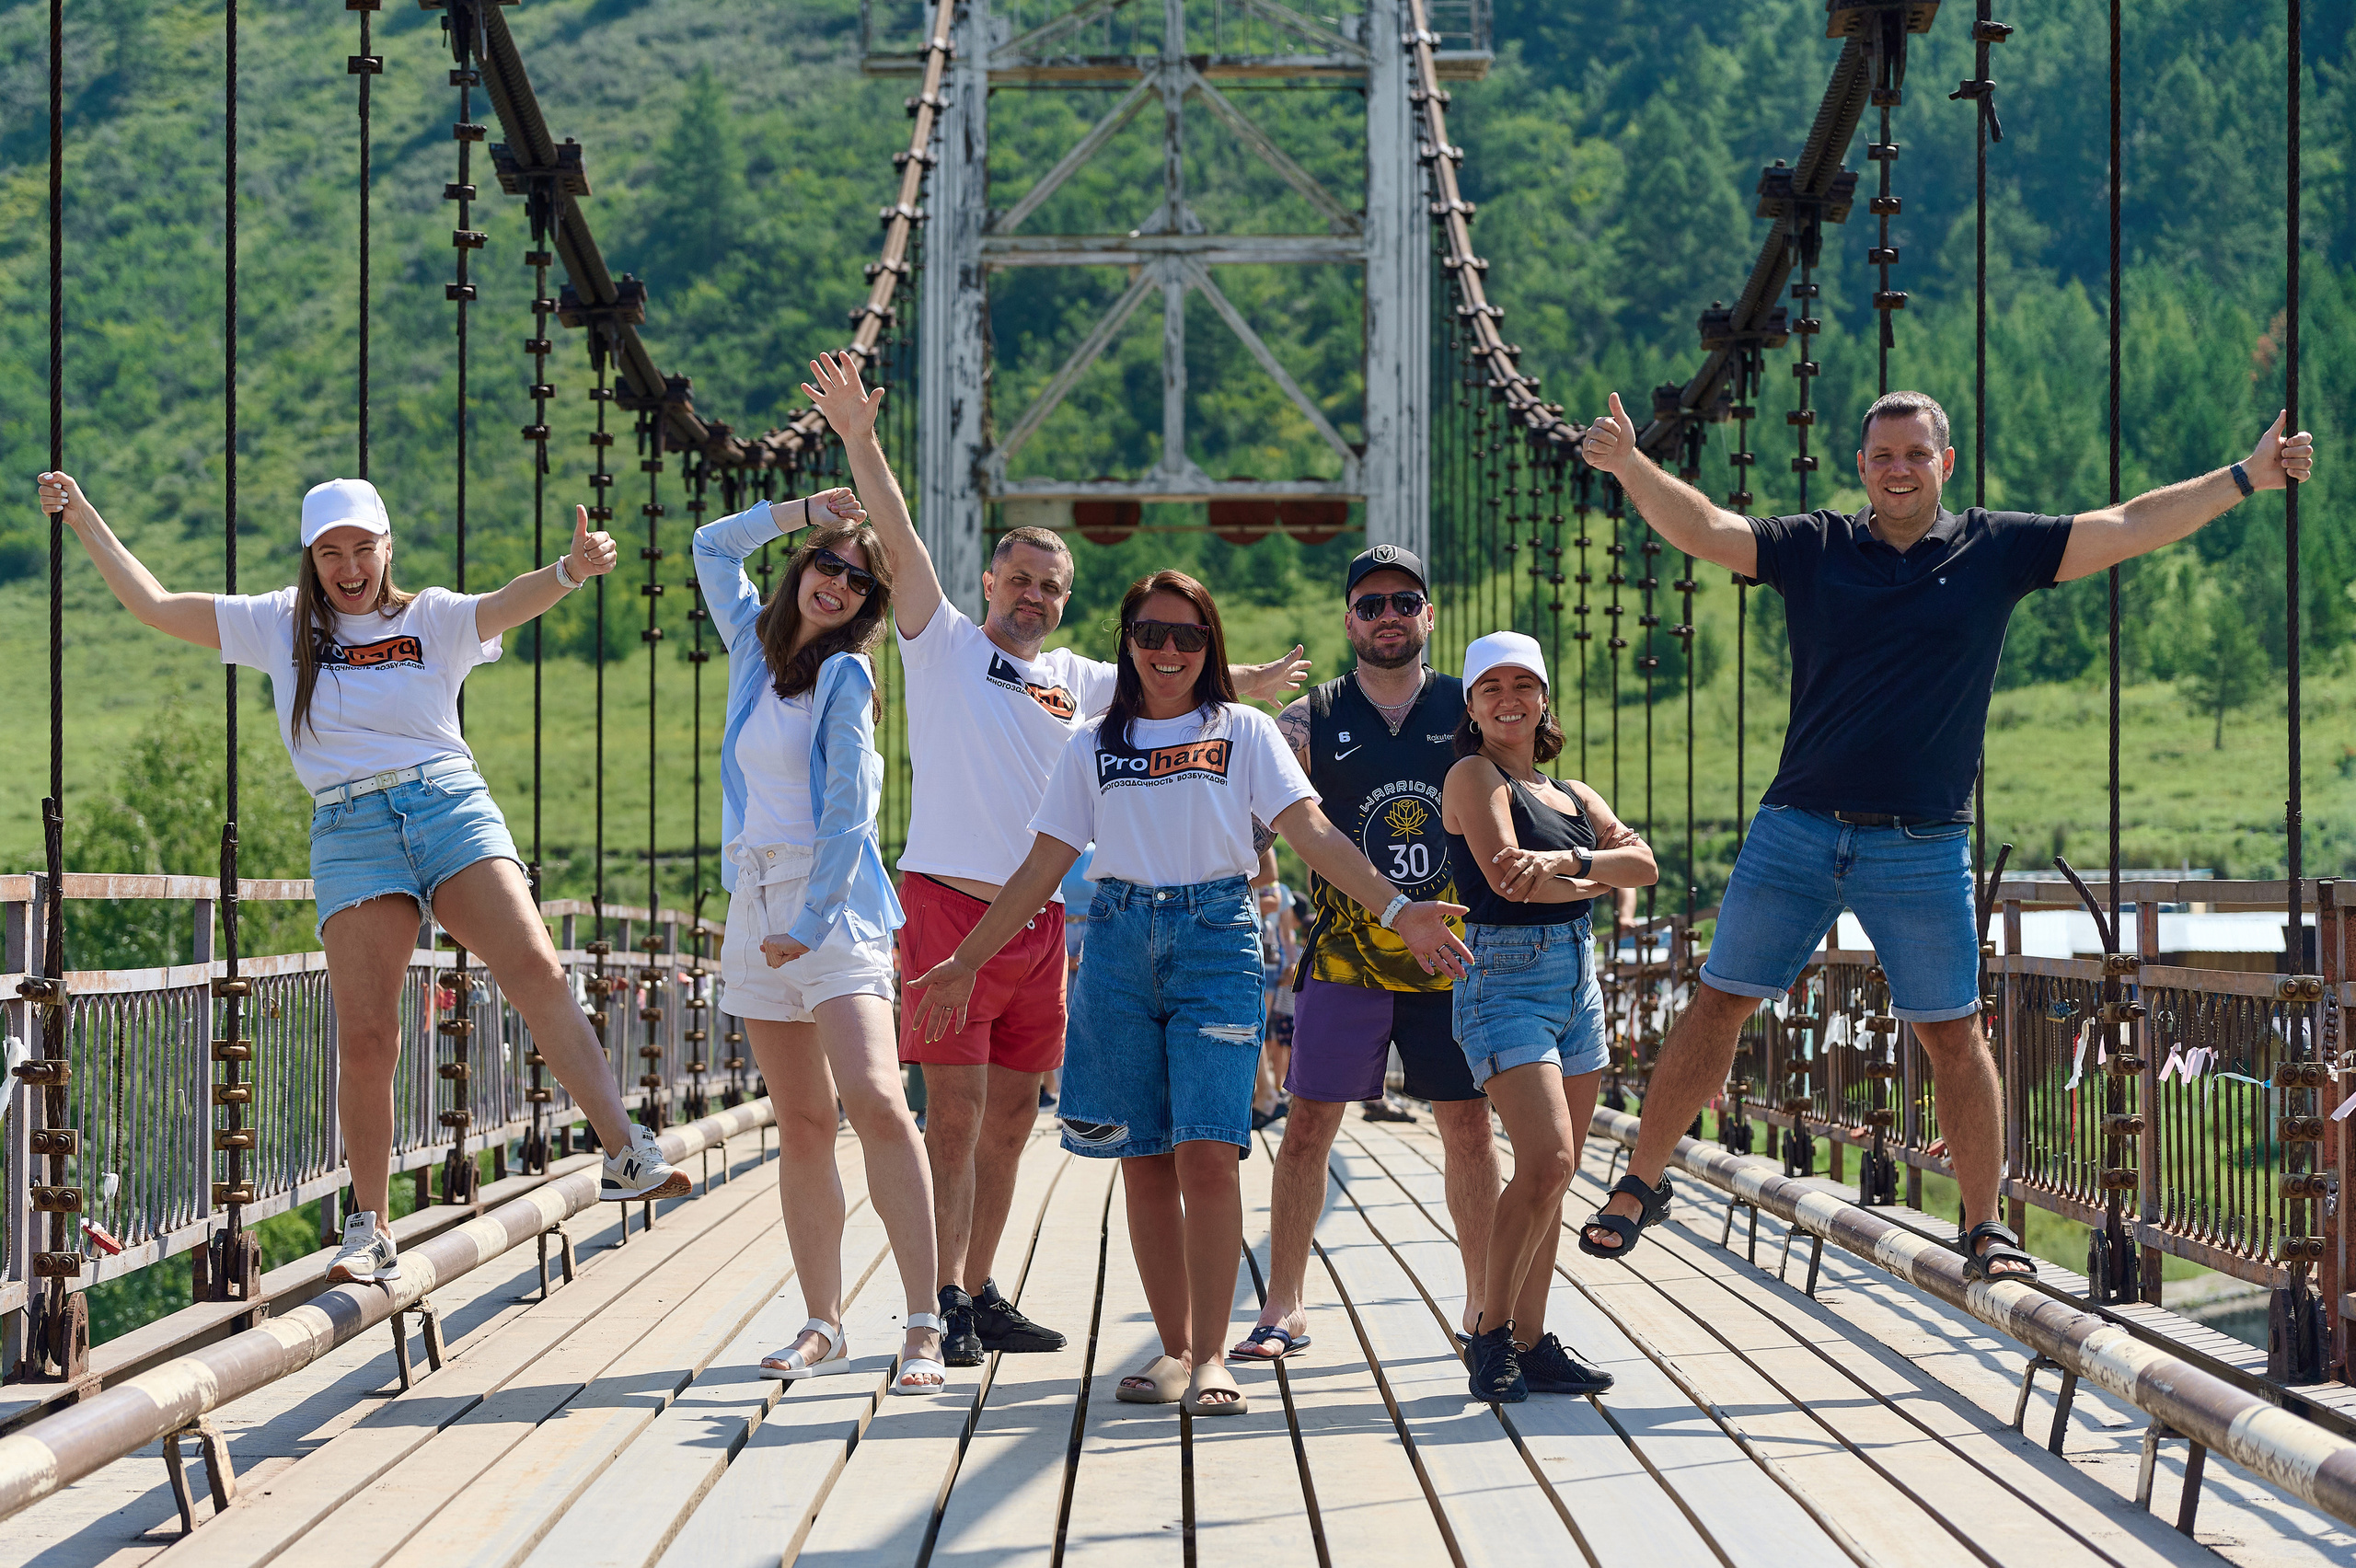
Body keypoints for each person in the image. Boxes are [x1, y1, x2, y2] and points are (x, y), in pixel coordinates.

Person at [1574, 389, 2317, 1276]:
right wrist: (1629, 467)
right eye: (1882, 454)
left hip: (1921, 847)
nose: (1898, 468)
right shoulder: (1815, 547)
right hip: (1797, 829)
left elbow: (2126, 524)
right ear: (1860, 466)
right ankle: (1642, 1181)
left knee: (1953, 1034)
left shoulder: (1994, 550)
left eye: (1915, 454)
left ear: (1946, 464)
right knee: (1719, 1001)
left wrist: (2247, 476)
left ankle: (1982, 1225)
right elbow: (1706, 528)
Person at [36, 471, 694, 1287]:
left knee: (536, 968)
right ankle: (369, 1227)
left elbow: (503, 603)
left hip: (449, 804)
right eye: (330, 552)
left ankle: (627, 1151)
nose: (348, 567)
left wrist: (568, 572)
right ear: (312, 559)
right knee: (369, 1033)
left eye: (362, 549)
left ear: (388, 549)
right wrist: (84, 517)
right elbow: (155, 605)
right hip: (351, 831)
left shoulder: (431, 617)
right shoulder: (279, 624)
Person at [800, 351, 1311, 1366]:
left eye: (1052, 587)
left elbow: (1167, 682)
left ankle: (976, 1286)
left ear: (1067, 602)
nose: (1033, 596)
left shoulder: (1077, 680)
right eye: (1020, 580)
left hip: (1042, 925)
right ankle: (937, 1294)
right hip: (949, 909)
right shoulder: (939, 640)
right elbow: (894, 531)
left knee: (1013, 1119)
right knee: (955, 1112)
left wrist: (1247, 677)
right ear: (988, 582)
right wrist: (859, 439)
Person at [905, 571, 1472, 1417]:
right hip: (1121, 946)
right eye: (1151, 635)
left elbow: (1310, 830)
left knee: (1209, 1151)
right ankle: (1172, 1350)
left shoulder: (1243, 730)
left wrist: (1398, 911)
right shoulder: (1092, 741)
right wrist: (964, 960)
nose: (1169, 652)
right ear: (1126, 643)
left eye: (1189, 637)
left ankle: (1211, 1355)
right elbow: (1042, 869)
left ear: (1211, 647)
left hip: (1215, 938)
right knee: (1143, 1160)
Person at [695, 481, 951, 1394]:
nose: (835, 584)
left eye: (857, 580)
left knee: (878, 1100)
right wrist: (802, 510)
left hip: (828, 905)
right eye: (826, 564)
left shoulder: (846, 675)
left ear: (870, 607)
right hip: (754, 898)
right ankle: (822, 1323)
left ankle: (923, 1322)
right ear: (802, 567)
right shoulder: (750, 652)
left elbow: (852, 812)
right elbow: (710, 547)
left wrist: (807, 925)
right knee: (801, 1125)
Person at [1234, 545, 1500, 1365]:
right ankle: (1285, 1304)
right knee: (1309, 1123)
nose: (1388, 615)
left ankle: (1485, 1308)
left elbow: (1527, 795)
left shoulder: (1470, 708)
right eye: (1371, 603)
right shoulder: (1311, 718)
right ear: (1349, 619)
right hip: (1347, 956)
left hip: (1448, 958)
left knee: (1467, 1126)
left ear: (1429, 616)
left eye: (1404, 601)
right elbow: (1248, 821)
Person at [1441, 631, 1656, 1402]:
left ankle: (1531, 1343)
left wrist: (1567, 864)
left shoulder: (1573, 795)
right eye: (1490, 687)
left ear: (1543, 699)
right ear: (1470, 706)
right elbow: (1507, 886)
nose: (1508, 699)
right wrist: (1595, 875)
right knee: (1551, 1162)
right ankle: (1490, 1335)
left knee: (1552, 1179)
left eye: (1522, 684)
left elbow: (1648, 865)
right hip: (1505, 978)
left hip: (1578, 985)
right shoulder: (1472, 774)